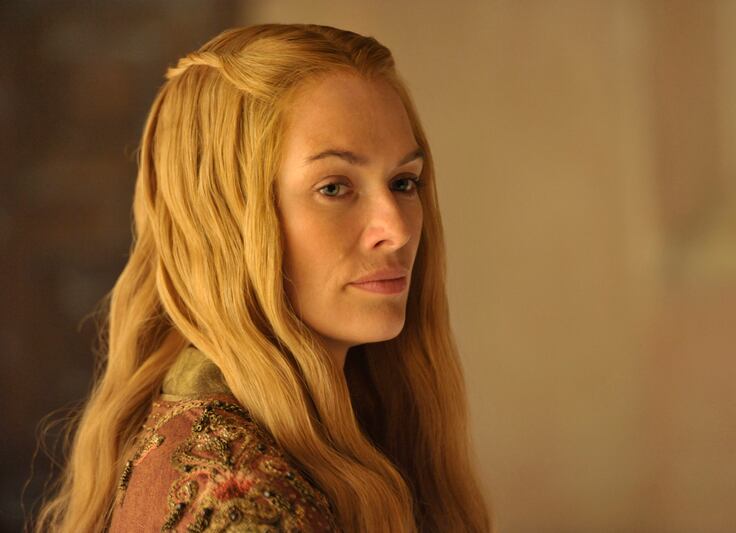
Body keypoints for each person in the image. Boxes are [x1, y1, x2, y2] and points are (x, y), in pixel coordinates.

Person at [34, 23, 493, 532]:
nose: (398, 229)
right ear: (223, 218)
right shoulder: (247, 506)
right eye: (334, 187)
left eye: (404, 182)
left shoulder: (323, 426)